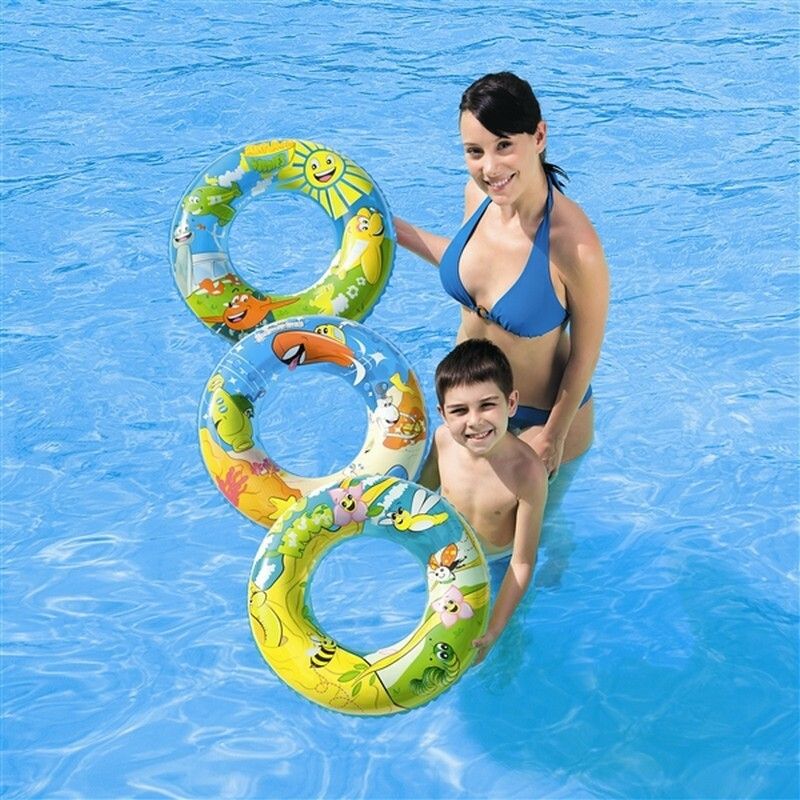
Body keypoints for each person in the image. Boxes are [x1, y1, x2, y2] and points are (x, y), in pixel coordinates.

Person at [394, 71, 609, 478]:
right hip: (468, 408)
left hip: (541, 420)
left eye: (504, 145)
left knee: (513, 523)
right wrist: (393, 229)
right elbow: (472, 264)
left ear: (539, 136)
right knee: (417, 508)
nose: (490, 168)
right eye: (474, 151)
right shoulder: (478, 196)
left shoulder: (574, 246)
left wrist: (554, 436)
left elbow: (586, 355)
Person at [422, 338, 548, 664]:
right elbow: (417, 495)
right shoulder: (443, 442)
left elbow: (522, 563)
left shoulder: (527, 472)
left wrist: (494, 629)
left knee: (507, 640)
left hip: (501, 563)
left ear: (511, 403)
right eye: (459, 410)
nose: (475, 421)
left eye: (487, 405)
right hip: (450, 557)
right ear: (442, 414)